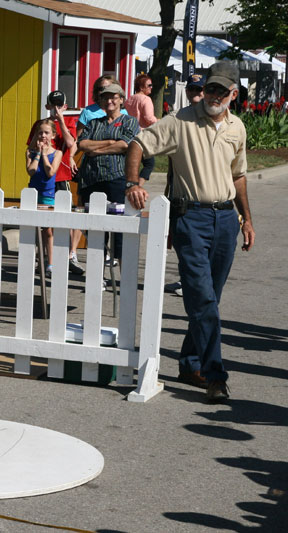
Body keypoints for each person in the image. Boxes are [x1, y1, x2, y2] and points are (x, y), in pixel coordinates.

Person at [125, 61, 255, 403]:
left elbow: (238, 175)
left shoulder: (236, 127)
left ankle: (190, 362)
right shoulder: (181, 121)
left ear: (233, 95)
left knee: (209, 298)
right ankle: (215, 375)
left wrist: (247, 219)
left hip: (226, 220)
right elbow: (138, 143)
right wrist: (132, 182)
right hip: (191, 219)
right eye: (210, 88)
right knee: (202, 298)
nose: (213, 95)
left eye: (220, 91)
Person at [77, 83, 140, 264]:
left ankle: (121, 272)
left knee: (119, 228)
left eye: (114, 97)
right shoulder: (93, 122)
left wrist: (96, 150)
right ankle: (99, 276)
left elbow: (125, 144)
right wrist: (110, 142)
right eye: (105, 97)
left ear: (121, 99)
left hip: (116, 178)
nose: (110, 100)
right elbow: (82, 144)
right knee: (95, 230)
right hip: (92, 180)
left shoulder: (129, 121)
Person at [26, 90, 85, 275]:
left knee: (66, 217)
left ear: (65, 107)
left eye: (60, 105)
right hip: (42, 179)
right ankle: (45, 259)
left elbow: (70, 143)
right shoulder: (41, 125)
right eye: (53, 105)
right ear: (47, 106)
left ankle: (70, 256)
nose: (56, 108)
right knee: (45, 225)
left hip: (60, 176)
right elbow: (31, 144)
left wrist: (60, 120)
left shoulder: (67, 122)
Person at [164, 74, 204, 298]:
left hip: (204, 192)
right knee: (181, 240)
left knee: (200, 245)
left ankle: (196, 284)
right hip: (180, 188)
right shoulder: (178, 118)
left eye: (199, 90)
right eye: (192, 90)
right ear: (186, 92)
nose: (196, 94)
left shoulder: (212, 118)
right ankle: (185, 280)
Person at [26, 119, 63, 277]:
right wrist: (38, 153)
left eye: (46, 132)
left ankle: (50, 263)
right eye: (40, 132)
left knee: (48, 230)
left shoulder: (57, 153)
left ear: (53, 135)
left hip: (48, 195)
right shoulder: (30, 152)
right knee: (35, 228)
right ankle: (37, 259)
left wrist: (45, 156)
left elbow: (50, 172)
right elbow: (31, 171)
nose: (43, 135)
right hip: (33, 194)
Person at [124, 74, 157, 186]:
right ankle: (138, 185)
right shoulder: (146, 99)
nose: (151, 87)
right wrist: (160, 122)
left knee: (131, 163)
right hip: (142, 135)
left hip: (128, 134)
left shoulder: (129, 99)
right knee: (149, 163)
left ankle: (130, 183)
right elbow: (149, 118)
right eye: (149, 85)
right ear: (141, 87)